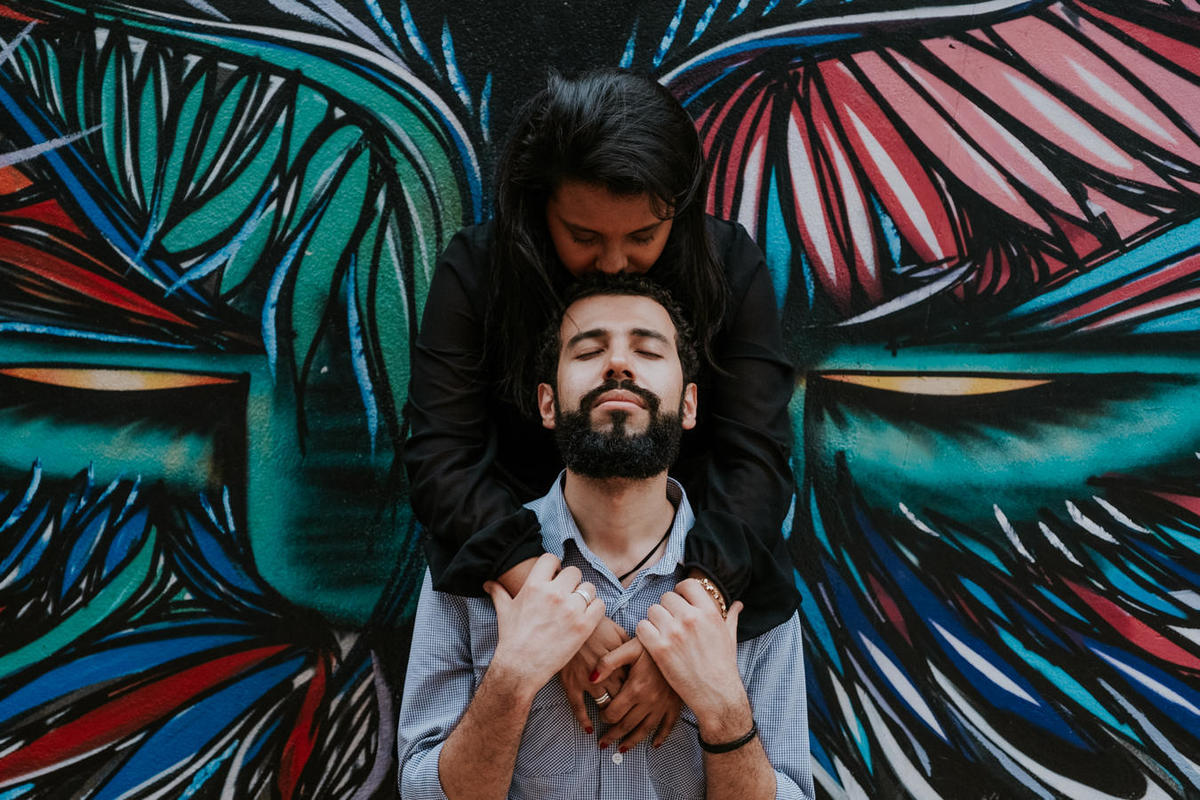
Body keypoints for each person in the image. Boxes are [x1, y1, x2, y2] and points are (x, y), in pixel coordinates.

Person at [403, 67, 799, 749]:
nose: (615, 261)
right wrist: (559, 607)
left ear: (679, 205)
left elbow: (758, 456)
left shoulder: (727, 264)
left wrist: (687, 634)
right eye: (583, 235)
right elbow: (439, 456)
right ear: (540, 206)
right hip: (517, 581)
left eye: (644, 235)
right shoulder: (479, 271)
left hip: (698, 578)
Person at [397, 277, 813, 800]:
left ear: (689, 406)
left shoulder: (749, 583)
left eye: (647, 349)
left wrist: (720, 705)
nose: (618, 364)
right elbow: (419, 791)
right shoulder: (472, 572)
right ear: (547, 404)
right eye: (590, 349)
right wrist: (514, 676)